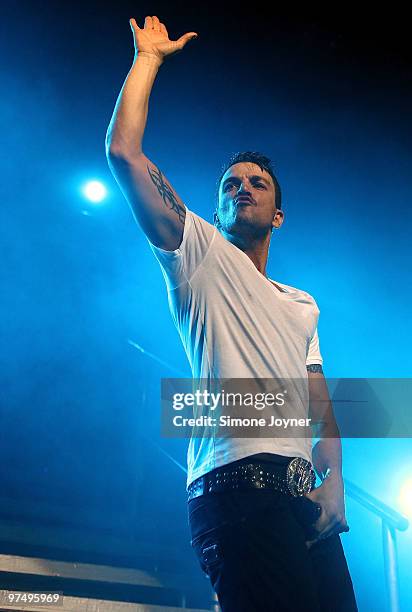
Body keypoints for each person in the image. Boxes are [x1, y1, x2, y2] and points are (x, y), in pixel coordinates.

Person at [105, 15, 358, 611]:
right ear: (216, 208)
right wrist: (149, 60)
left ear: (278, 216)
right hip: (233, 488)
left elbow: (320, 407)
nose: (241, 187)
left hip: (302, 495)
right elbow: (124, 153)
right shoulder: (198, 253)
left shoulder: (303, 304)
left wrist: (336, 484)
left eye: (257, 183)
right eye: (230, 184)